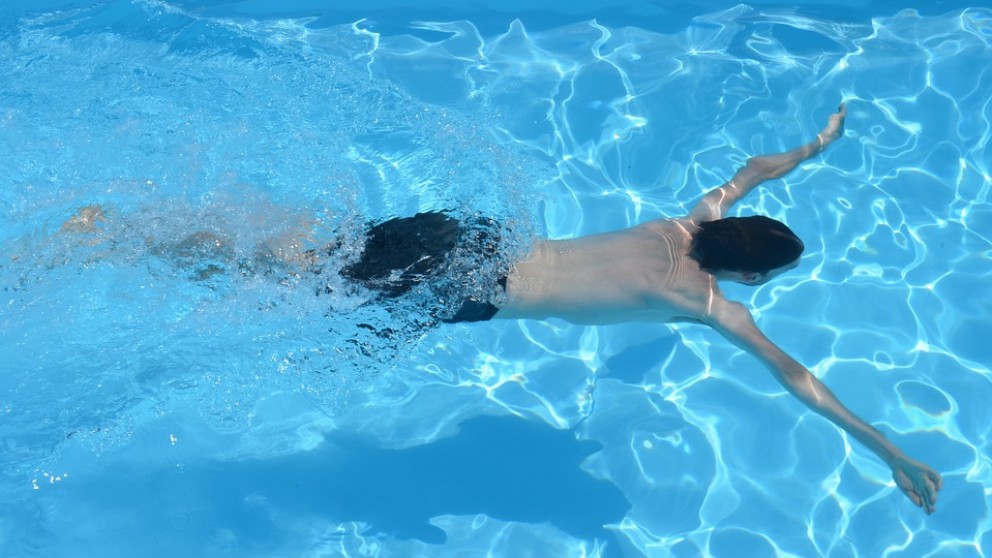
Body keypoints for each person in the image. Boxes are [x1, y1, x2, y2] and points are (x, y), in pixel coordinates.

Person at [344, 104, 943, 515]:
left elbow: (753, 170)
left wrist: (819, 142)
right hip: (472, 290)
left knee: (310, 255)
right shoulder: (710, 305)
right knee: (303, 290)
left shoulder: (690, 220)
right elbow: (797, 379)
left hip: (472, 238)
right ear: (751, 275)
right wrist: (889, 451)